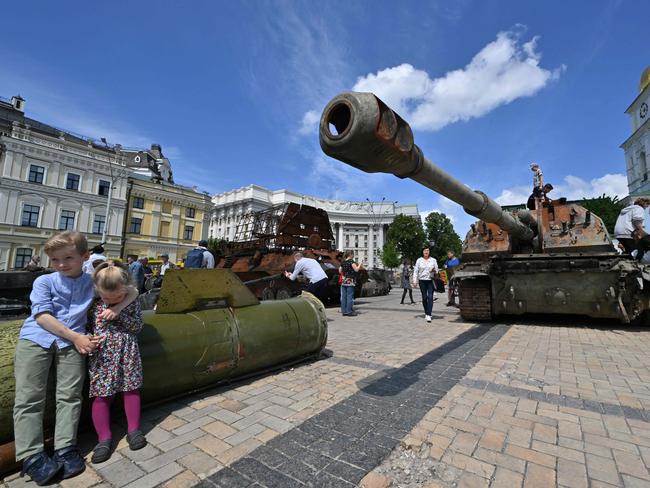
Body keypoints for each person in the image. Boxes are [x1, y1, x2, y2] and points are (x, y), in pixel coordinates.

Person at [12, 231, 133, 485]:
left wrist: (117, 308)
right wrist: (76, 337)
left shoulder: (92, 283)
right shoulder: (44, 282)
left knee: (70, 395)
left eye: (68, 258)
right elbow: (41, 316)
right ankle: (31, 455)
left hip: (71, 343)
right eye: (55, 260)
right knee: (29, 397)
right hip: (38, 338)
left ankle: (65, 447)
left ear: (85, 257)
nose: (61, 264)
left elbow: (130, 291)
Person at [89, 261, 147, 463]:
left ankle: (134, 429)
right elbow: (89, 327)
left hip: (127, 352)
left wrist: (119, 313)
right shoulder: (95, 305)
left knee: (131, 390)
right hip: (103, 356)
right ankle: (103, 438)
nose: (112, 301)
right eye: (107, 298)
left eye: (118, 298)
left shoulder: (131, 302)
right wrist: (89, 339)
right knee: (101, 395)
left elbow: (137, 326)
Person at [412, 246, 438, 323]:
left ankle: (429, 314)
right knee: (424, 297)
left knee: (430, 297)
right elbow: (416, 271)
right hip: (422, 281)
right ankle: (426, 312)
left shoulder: (433, 260)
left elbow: (437, 271)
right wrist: (414, 281)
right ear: (422, 252)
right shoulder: (419, 260)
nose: (426, 252)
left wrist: (433, 270)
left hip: (431, 280)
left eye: (428, 251)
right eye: (425, 251)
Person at [339, 250, 361, 316]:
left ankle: (344, 311)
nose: (353, 256)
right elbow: (356, 270)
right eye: (353, 254)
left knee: (344, 297)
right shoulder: (351, 262)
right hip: (350, 281)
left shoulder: (343, 262)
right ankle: (349, 311)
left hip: (344, 281)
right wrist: (359, 264)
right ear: (350, 255)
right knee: (349, 297)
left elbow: (340, 271)